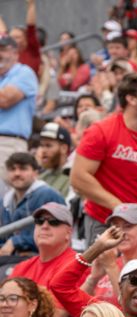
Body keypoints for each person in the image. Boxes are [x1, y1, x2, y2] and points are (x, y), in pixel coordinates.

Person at [70, 72, 137, 246]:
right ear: (131, 99)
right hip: (103, 220)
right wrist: (120, 209)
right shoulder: (101, 131)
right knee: (101, 272)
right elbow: (78, 178)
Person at [9, 202, 76, 317]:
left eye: (54, 222)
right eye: (39, 221)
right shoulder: (21, 267)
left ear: (68, 233)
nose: (45, 226)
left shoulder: (76, 264)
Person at [81, 203, 137, 305]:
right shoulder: (106, 261)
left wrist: (111, 267)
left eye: (128, 226)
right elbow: (75, 305)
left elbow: (133, 307)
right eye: (116, 227)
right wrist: (93, 279)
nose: (121, 233)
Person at [0, 153, 65, 257]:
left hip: (43, 259)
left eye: (23, 169)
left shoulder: (48, 195)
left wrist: (16, 242)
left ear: (36, 173)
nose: (17, 173)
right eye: (12, 169)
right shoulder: (5, 201)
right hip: (11, 259)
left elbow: (59, 235)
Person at [0, 34, 38, 188]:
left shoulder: (24, 72)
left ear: (15, 53)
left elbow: (4, 100)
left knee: (5, 197)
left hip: (9, 143)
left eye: (3, 49)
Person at [37, 122, 72, 198]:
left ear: (64, 148)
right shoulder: (40, 177)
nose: (43, 150)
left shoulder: (73, 178)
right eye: (42, 145)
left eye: (48, 145)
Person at [9, 0, 40, 76]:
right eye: (11, 37)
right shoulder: (6, 54)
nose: (13, 40)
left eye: (17, 37)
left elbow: (31, 26)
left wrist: (31, 4)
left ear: (25, 39)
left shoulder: (32, 50)